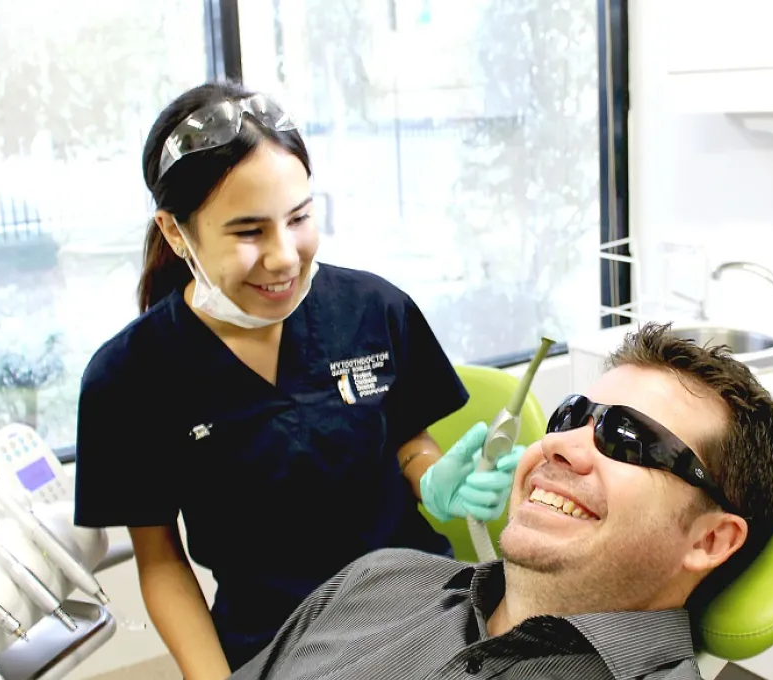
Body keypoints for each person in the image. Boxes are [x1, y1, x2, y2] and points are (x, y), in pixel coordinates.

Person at [72, 81, 524, 678]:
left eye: (300, 218)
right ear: (177, 231)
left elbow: (407, 441)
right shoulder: (129, 377)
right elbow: (160, 562)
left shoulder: (373, 308)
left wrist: (432, 475)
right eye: (249, 231)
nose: (285, 255)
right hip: (279, 643)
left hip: (428, 612)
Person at [228, 322, 773, 680]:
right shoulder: (378, 579)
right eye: (570, 416)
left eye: (628, 438)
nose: (559, 446)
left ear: (710, 539)